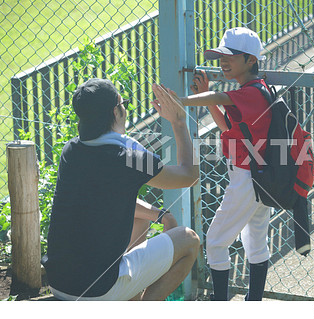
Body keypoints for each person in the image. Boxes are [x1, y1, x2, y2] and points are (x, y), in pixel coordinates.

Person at [41, 78, 200, 301]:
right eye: (123, 103)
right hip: (97, 292)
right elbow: (189, 176)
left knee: (140, 220)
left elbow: (105, 198)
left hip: (59, 284)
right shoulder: (131, 159)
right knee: (189, 240)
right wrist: (179, 122)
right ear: (116, 111)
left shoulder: (72, 150)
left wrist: (159, 215)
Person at [177, 27, 272, 301]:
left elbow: (219, 98)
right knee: (255, 241)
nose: (223, 61)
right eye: (221, 56)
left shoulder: (251, 93)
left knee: (216, 241)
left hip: (247, 178)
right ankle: (253, 302)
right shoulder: (255, 90)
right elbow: (228, 125)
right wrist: (206, 94)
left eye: (231, 56)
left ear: (251, 60)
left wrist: (179, 101)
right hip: (260, 176)